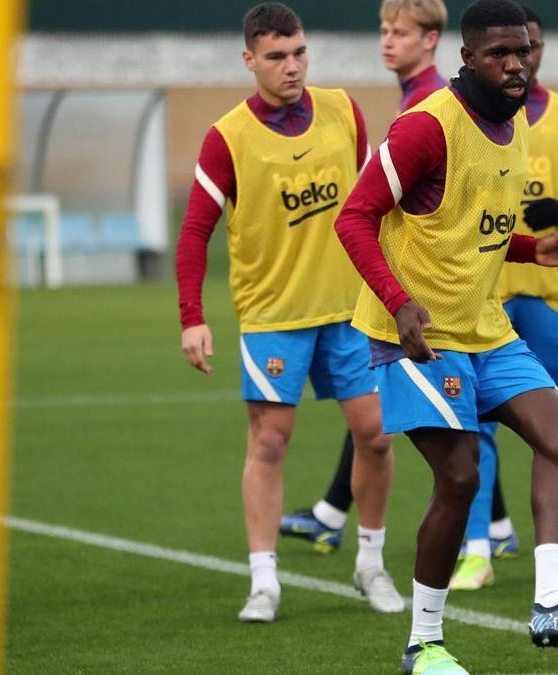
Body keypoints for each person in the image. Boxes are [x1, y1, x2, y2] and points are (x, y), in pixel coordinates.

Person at [334, 1, 558, 671]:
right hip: (416, 336)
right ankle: (424, 643)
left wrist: (533, 250)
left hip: (484, 327)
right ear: (466, 60)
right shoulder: (426, 126)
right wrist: (400, 304)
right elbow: (354, 217)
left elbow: (472, 228)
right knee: (459, 477)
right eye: (498, 53)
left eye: (522, 50)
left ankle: (554, 606)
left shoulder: (513, 120)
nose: (515, 62)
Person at [175, 2, 404, 623]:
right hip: (273, 315)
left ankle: (370, 563)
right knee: (271, 443)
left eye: (299, 52)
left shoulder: (342, 111)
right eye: (276, 56)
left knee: (378, 436)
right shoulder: (227, 136)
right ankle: (264, 581)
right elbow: (195, 231)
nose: (292, 66)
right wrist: (192, 315)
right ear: (249, 59)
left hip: (349, 311)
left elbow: (374, 204)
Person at [279, 0, 450, 555]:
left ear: (431, 39)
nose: (386, 41)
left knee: (438, 428)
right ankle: (332, 511)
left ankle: (475, 544)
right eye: (383, 30)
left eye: (399, 32)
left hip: (421, 290)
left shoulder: (429, 105)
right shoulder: (415, 98)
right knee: (374, 415)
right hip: (414, 282)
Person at [450, 3, 558, 592]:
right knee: (476, 426)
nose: (522, 59)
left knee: (556, 426)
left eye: (531, 47)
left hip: (549, 291)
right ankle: (476, 550)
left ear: (540, 49)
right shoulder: (472, 119)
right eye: (511, 49)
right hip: (487, 290)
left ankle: (556, 561)